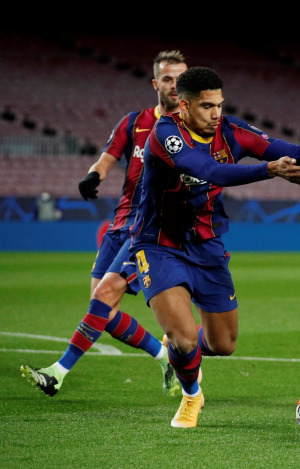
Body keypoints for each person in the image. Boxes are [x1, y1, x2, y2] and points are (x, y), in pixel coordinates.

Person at [130, 65, 300, 428]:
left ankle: (178, 349)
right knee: (184, 337)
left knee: (223, 344)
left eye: (219, 105)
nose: (215, 114)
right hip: (158, 243)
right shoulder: (167, 133)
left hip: (206, 244)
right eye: (206, 107)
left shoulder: (230, 130)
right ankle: (191, 395)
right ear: (183, 106)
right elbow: (209, 170)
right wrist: (270, 170)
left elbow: (291, 149)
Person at [20, 50, 189, 398]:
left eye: (180, 80)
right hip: (120, 223)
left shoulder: (192, 130)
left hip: (152, 227)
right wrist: (93, 176)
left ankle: (58, 371)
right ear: (156, 83)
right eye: (168, 79)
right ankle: (164, 356)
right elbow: (109, 157)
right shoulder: (134, 122)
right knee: (101, 311)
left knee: (105, 295)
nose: (174, 86)